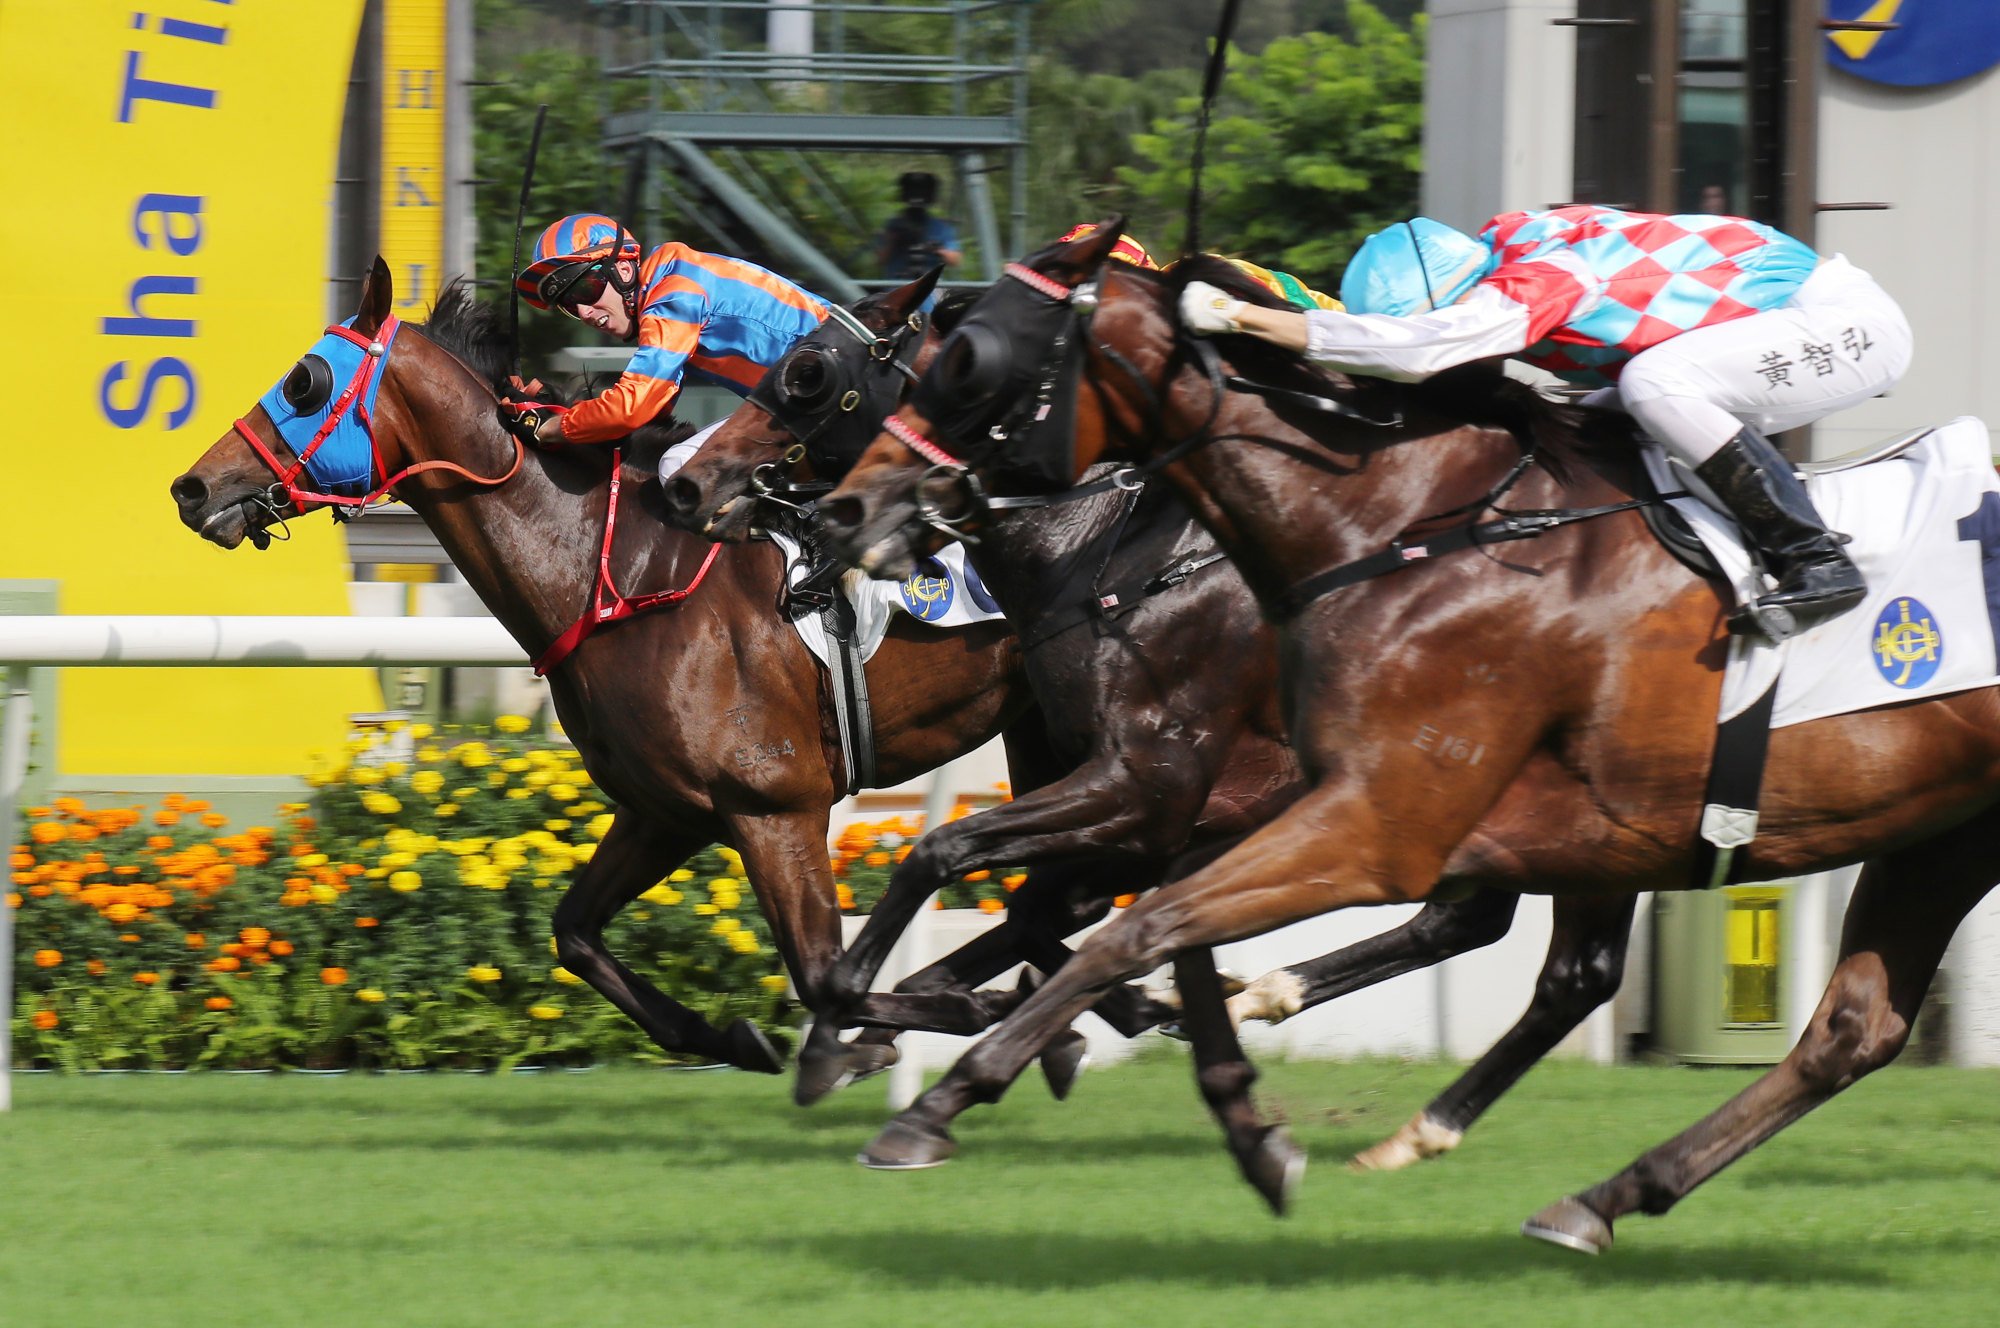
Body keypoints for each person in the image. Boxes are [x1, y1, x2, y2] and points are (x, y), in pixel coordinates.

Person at [1179, 206, 1915, 634]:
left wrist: (1254, 321)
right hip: (1787, 320)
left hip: (1847, 327)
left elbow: (1419, 349)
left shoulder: (1540, 277)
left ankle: (1817, 559)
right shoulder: (1507, 246)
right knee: (1593, 422)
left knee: (1655, 381)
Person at [514, 212, 830, 467]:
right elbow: (654, 409)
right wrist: (557, 408)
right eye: (570, 304)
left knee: (678, 465)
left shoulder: (674, 295)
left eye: (586, 290)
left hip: (829, 395)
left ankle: (796, 548)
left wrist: (553, 428)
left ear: (623, 269)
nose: (583, 311)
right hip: (813, 400)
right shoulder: (671, 284)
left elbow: (632, 407)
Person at [877, 172, 963, 281]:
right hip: (898, 287)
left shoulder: (940, 227)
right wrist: (894, 241)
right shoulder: (893, 226)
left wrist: (936, 249)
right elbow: (880, 260)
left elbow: (955, 260)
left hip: (930, 286)